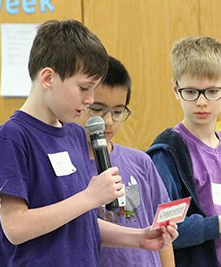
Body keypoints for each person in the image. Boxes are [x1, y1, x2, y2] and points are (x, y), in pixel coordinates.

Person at [0, 20, 177, 267]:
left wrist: (138, 238)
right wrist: (90, 197)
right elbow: (15, 227)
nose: (90, 99)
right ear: (48, 77)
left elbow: (80, 223)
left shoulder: (74, 135)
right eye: (84, 88)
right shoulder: (12, 137)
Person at [147, 36, 221, 267]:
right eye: (191, 92)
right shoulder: (168, 152)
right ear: (175, 88)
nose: (202, 102)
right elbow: (164, 230)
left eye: (212, 91)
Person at [76, 55, 175, 267]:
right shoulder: (68, 165)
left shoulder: (141, 162)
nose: (108, 121)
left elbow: (163, 234)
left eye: (118, 111)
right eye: (97, 110)